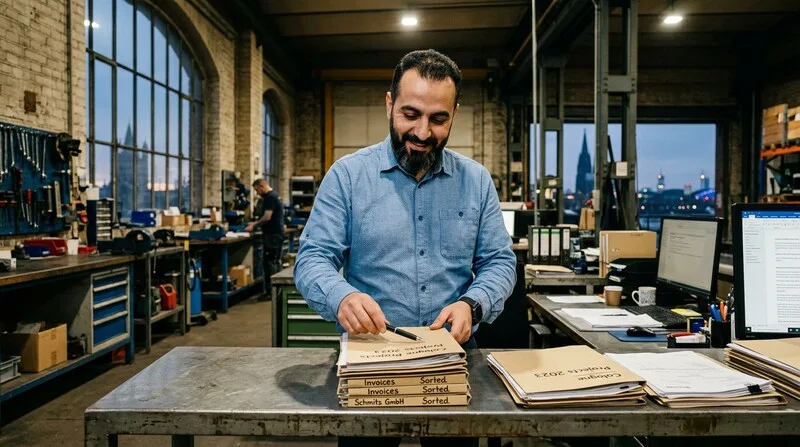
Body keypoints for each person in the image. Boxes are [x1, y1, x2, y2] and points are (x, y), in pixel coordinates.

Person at [293, 49, 516, 447]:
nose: (422, 133)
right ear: (389, 103)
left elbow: (499, 261)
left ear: (454, 114)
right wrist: (342, 297)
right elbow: (313, 258)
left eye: (438, 119)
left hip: (452, 361)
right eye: (410, 114)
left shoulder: (476, 181)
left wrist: (473, 304)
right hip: (370, 361)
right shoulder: (348, 176)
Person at [247, 179, 285, 292]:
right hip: (277, 234)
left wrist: (254, 225)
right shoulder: (275, 195)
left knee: (270, 264)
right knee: (275, 262)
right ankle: (277, 291)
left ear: (262, 186)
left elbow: (267, 216)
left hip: (272, 235)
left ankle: (271, 292)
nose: (257, 193)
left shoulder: (270, 197)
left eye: (257, 190)